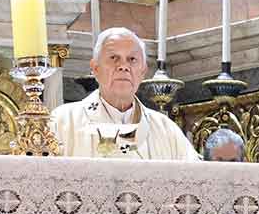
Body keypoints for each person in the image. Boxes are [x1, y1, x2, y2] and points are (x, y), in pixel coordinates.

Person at [51, 28, 199, 161]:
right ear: (95, 68)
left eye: (132, 59)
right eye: (113, 58)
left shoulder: (166, 129)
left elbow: (195, 177)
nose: (123, 66)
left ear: (143, 71)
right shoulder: (63, 121)